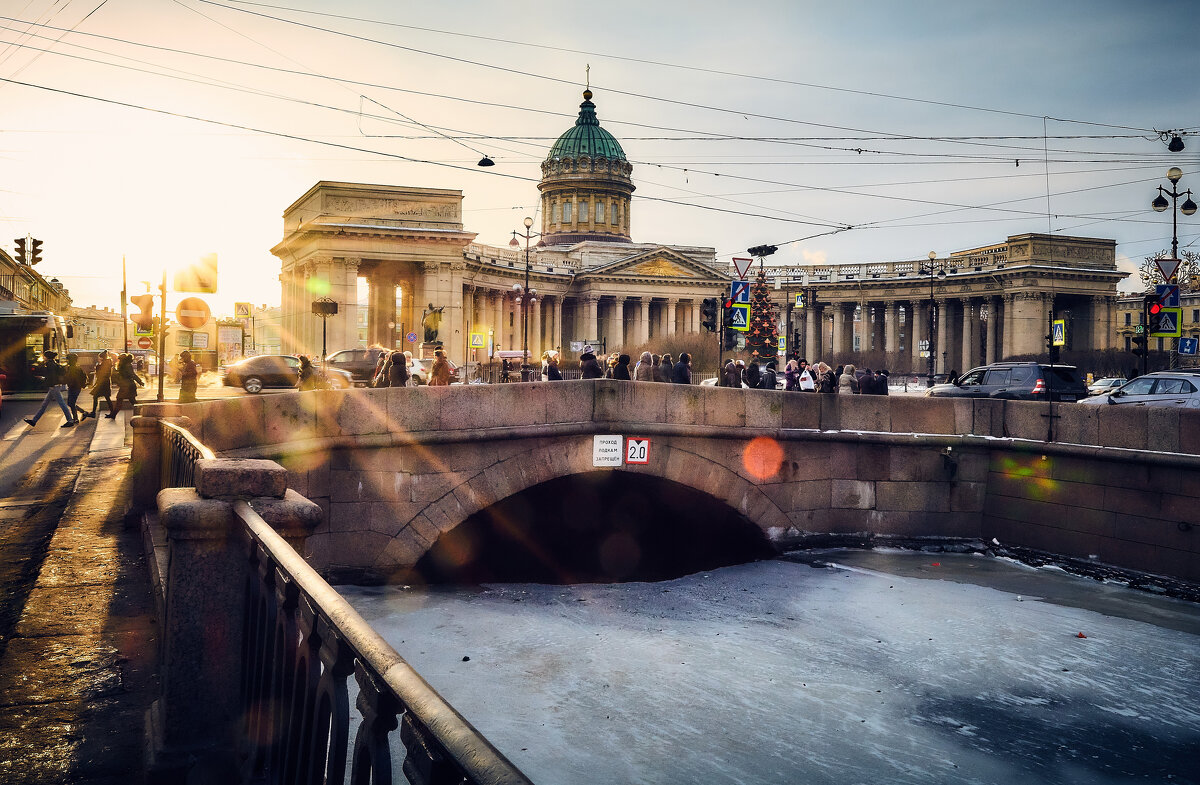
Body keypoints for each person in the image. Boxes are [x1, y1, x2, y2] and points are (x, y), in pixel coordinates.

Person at [24, 351, 76, 428]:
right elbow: (52, 376)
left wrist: (43, 379)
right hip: (54, 386)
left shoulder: (50, 364)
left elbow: (51, 377)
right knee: (44, 405)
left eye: (44, 356)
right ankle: (34, 421)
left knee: (62, 404)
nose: (43, 357)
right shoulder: (54, 363)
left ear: (47, 357)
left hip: (53, 387)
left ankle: (70, 420)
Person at [109, 353, 144, 417]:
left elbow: (132, 375)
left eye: (120, 360)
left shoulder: (126, 366)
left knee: (122, 400)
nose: (118, 361)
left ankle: (142, 412)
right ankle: (141, 412)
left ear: (122, 360)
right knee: (131, 401)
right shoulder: (125, 366)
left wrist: (140, 381)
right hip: (127, 385)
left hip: (127, 386)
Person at [87, 349, 114, 418]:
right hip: (105, 382)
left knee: (96, 397)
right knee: (106, 398)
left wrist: (97, 368)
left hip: (102, 383)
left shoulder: (104, 364)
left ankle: (93, 412)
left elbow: (100, 374)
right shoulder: (108, 363)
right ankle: (112, 412)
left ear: (102, 357)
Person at [64, 353, 89, 423]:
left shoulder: (72, 368)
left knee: (71, 403)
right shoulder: (77, 368)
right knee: (71, 403)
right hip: (76, 387)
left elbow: (72, 378)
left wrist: (69, 383)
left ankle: (77, 417)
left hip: (74, 387)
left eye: (68, 360)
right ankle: (81, 414)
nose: (67, 361)